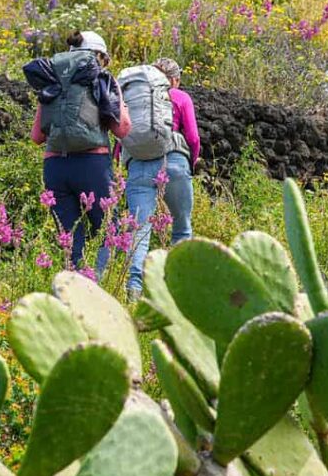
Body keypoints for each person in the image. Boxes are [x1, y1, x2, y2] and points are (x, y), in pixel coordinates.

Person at [28, 30, 130, 274]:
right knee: (110, 229)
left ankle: (71, 296)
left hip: (55, 166)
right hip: (91, 164)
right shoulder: (102, 77)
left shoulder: (52, 79)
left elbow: (37, 137)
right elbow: (123, 129)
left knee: (69, 237)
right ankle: (101, 288)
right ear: (99, 56)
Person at [124, 58, 200, 301]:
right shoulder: (179, 96)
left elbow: (122, 135)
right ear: (174, 79)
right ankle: (178, 292)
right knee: (182, 226)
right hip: (174, 161)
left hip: (137, 164)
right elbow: (193, 137)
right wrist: (190, 161)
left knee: (139, 231)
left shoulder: (134, 98)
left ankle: (134, 291)